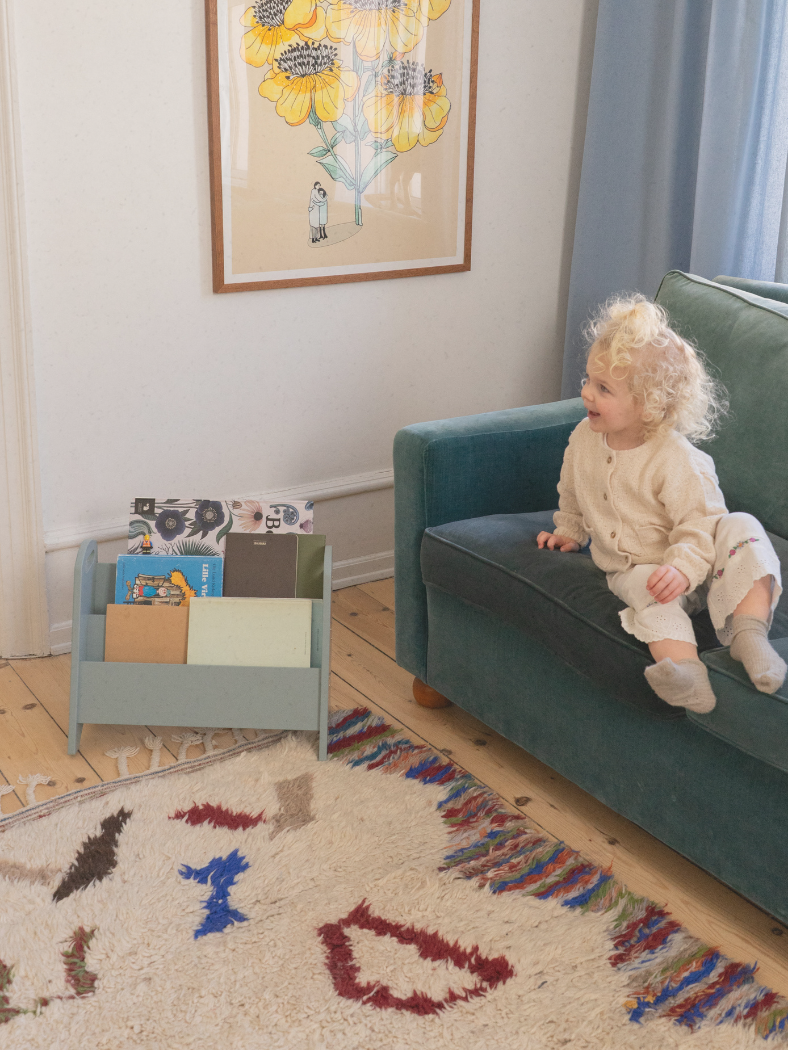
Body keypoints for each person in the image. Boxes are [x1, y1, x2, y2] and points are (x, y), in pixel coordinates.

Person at [537, 295, 786, 713]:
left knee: (742, 526)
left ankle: (749, 635)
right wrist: (570, 531)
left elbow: (700, 520)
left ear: (648, 403)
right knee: (646, 590)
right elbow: (573, 490)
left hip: (701, 558)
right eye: (587, 381)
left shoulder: (675, 457)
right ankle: (686, 670)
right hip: (640, 567)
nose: (586, 395)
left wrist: (685, 568)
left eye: (603, 389)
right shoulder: (583, 439)